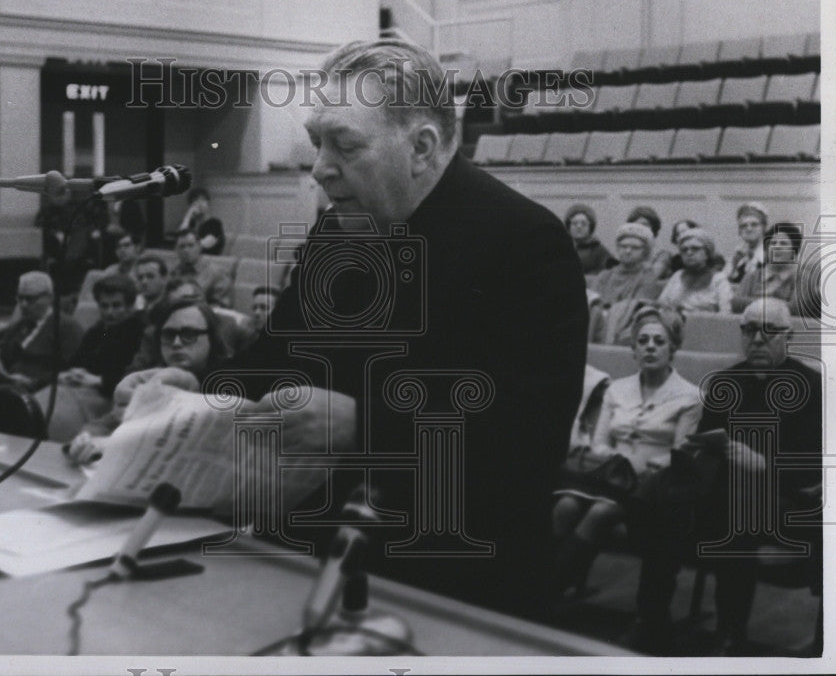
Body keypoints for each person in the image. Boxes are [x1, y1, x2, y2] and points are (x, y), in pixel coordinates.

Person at [219, 38, 590, 618]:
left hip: (454, 582)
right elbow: (274, 358)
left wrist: (361, 422)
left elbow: (527, 439)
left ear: (422, 147)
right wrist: (187, 399)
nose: (319, 169)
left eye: (344, 145)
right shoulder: (337, 231)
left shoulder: (524, 240)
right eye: (318, 143)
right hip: (308, 561)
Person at [627, 298, 822, 655]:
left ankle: (730, 635)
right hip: (722, 489)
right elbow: (704, 442)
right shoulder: (725, 383)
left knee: (738, 515)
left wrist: (762, 462)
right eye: (749, 329)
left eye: (769, 330)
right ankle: (652, 620)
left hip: (784, 498)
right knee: (664, 504)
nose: (757, 338)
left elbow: (814, 464)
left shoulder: (811, 386)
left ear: (788, 336)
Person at [552, 305, 700, 594]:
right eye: (642, 341)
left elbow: (680, 453)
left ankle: (550, 588)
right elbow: (599, 443)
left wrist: (643, 463)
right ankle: (541, 579)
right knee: (565, 506)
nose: (650, 348)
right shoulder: (616, 389)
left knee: (600, 512)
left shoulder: (690, 396)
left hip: (649, 484)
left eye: (659, 342)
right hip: (607, 476)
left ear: (673, 348)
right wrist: (615, 459)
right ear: (632, 348)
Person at [65, 297, 231, 463]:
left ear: (213, 339)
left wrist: (116, 444)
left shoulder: (227, 385)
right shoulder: (153, 379)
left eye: (189, 334)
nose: (176, 343)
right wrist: (86, 439)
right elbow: (105, 424)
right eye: (168, 334)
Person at [34, 274, 146, 441]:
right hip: (76, 389)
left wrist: (98, 380)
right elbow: (75, 361)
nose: (110, 312)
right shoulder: (97, 330)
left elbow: (134, 378)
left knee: (47, 418)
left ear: (130, 306)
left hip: (106, 398)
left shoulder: (140, 332)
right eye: (104, 306)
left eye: (117, 306)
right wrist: (70, 373)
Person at [0, 271, 84, 391]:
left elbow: (73, 373)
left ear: (50, 298)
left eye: (30, 299)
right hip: (9, 386)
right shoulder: (17, 326)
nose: (23, 304)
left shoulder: (68, 328)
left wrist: (36, 381)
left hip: (46, 391)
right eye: (20, 298)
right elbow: (1, 358)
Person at [731, 222, 814, 316]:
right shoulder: (753, 275)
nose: (777, 247)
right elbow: (736, 303)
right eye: (773, 243)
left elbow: (796, 309)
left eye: (783, 244)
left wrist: (753, 303)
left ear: (793, 251)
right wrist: (777, 304)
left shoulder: (802, 278)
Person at [658, 227, 732, 313]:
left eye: (695, 249)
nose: (689, 253)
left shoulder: (719, 279)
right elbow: (662, 306)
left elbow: (726, 313)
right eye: (684, 250)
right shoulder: (677, 276)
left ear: (707, 253)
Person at [590, 223, 663, 308]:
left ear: (644, 252)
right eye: (623, 246)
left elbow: (637, 307)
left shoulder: (647, 277)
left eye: (635, 247)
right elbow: (591, 303)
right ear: (617, 248)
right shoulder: (605, 276)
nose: (628, 251)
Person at [170, 227, 233, 307]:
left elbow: (221, 306)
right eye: (182, 247)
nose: (186, 250)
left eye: (190, 245)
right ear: (176, 250)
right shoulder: (173, 272)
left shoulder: (217, 273)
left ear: (199, 247)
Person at [724, 202, 768, 286]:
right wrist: (734, 266)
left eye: (754, 224)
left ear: (764, 227)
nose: (749, 229)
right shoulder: (738, 255)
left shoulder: (769, 254)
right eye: (743, 226)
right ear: (739, 231)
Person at [565, 203, 614, 275]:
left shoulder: (599, 250)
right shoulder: (561, 248)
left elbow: (610, 272)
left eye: (584, 223)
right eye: (575, 223)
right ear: (569, 226)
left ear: (590, 227)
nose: (579, 227)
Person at [626, 206, 672, 280]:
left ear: (653, 229)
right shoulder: (628, 251)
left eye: (644, 225)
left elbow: (651, 278)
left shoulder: (662, 254)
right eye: (635, 226)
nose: (639, 229)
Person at [179, 187, 226, 255]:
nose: (199, 204)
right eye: (196, 201)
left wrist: (186, 244)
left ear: (208, 203)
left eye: (203, 200)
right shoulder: (190, 223)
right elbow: (180, 238)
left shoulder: (215, 223)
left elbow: (206, 244)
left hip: (209, 260)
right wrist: (189, 214)